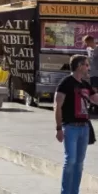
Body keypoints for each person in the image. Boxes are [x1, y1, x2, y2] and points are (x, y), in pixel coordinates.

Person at [56, 54, 98, 194]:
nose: (88, 68)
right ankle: (65, 192)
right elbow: (57, 106)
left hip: (84, 128)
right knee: (71, 161)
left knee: (79, 164)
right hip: (70, 127)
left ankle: (74, 191)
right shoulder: (65, 83)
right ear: (79, 66)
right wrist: (58, 128)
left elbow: (95, 99)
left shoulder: (85, 84)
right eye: (86, 65)